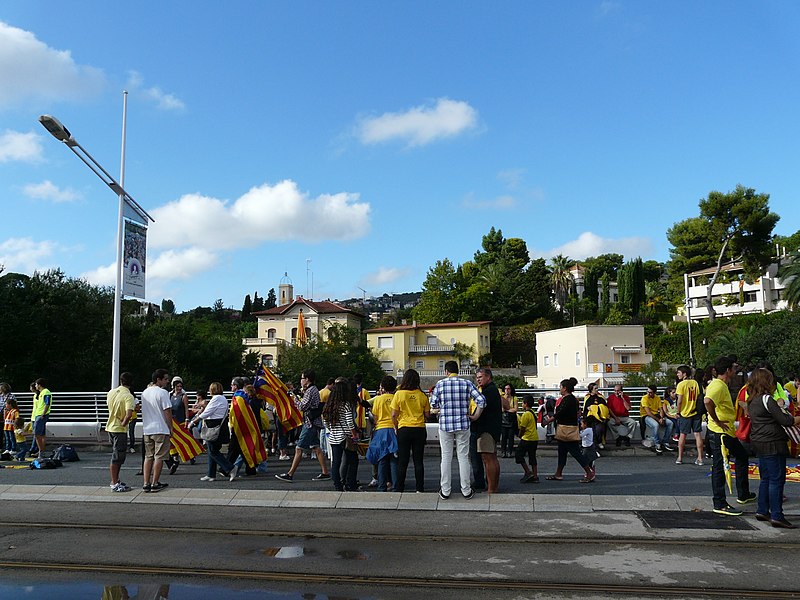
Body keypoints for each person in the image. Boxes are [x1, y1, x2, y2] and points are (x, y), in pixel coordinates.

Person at [747, 368, 800, 528]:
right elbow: (785, 420)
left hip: (759, 442)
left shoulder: (752, 400)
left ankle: (762, 509)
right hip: (773, 443)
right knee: (776, 480)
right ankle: (777, 514)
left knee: (766, 478)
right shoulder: (767, 399)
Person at [705, 356, 755, 516]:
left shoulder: (722, 385)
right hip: (720, 433)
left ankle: (743, 493)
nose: (736, 370)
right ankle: (719, 503)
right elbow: (707, 401)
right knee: (719, 467)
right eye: (734, 367)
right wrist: (717, 420)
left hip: (727, 432)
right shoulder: (718, 386)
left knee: (742, 456)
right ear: (728, 370)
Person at [429, 360, 485, 500]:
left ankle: (445, 490)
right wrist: (475, 416)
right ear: (457, 371)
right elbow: (481, 400)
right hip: (463, 424)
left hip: (445, 425)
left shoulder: (440, 384)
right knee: (463, 457)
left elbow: (433, 404)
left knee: (446, 458)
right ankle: (466, 490)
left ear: (446, 372)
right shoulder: (466, 383)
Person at [276, 370, 331, 482]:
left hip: (309, 424)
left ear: (307, 379)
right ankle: (325, 472)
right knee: (316, 448)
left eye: (302, 378)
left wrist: (294, 397)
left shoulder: (311, 390)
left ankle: (290, 474)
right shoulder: (312, 389)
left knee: (299, 448)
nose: (301, 381)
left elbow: (302, 406)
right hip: (312, 422)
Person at [546, 378, 596, 483]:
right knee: (562, 451)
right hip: (568, 429)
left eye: (560, 387)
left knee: (576, 452)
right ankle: (558, 473)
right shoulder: (572, 399)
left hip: (567, 430)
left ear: (565, 388)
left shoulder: (567, 399)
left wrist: (549, 420)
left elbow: (560, 412)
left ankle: (589, 472)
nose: (560, 389)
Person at [391, 369, 430, 493]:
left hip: (404, 428)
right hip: (419, 428)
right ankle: (420, 488)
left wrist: (396, 427)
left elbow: (393, 415)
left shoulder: (399, 394)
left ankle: (400, 488)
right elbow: (427, 414)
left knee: (403, 461)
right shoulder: (422, 395)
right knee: (418, 461)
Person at [189, 382, 235, 482]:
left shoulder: (216, 398)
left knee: (213, 451)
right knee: (212, 450)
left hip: (213, 427)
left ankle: (230, 468)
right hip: (219, 426)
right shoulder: (222, 398)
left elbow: (207, 413)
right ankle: (211, 474)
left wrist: (193, 422)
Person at [323, 378, 359, 492]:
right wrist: (354, 435)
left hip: (334, 437)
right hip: (345, 437)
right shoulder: (346, 405)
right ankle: (351, 484)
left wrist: (332, 430)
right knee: (352, 460)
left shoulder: (329, 406)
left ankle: (337, 485)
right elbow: (349, 421)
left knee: (336, 462)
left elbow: (325, 422)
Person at [139, 369, 173, 493]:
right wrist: (171, 427)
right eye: (165, 379)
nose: (167, 381)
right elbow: (167, 410)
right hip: (161, 428)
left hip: (147, 429)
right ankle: (155, 483)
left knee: (148, 456)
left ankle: (146, 482)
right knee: (159, 457)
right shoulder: (163, 393)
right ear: (158, 379)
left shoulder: (145, 392)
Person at [472, 367, 505, 494]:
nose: (478, 380)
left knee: (488, 459)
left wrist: (473, 416)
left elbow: (480, 407)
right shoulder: (493, 390)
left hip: (486, 430)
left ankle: (491, 488)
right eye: (477, 377)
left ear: (488, 377)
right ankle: (493, 487)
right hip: (493, 429)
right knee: (492, 458)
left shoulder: (488, 392)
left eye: (480, 377)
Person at [227, 379, 267, 477]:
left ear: (236, 386)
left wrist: (232, 425)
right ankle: (250, 469)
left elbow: (236, 414)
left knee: (236, 449)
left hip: (239, 428)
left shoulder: (238, 398)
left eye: (232, 385)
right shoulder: (242, 396)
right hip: (243, 427)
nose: (231, 386)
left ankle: (226, 468)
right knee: (241, 449)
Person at [366, 375, 399, 492]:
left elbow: (374, 418)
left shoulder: (378, 399)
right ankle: (396, 486)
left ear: (383, 387)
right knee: (394, 460)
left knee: (382, 459)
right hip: (394, 429)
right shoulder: (396, 397)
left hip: (381, 430)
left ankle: (382, 486)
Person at [106, 372, 135, 492]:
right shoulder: (128, 396)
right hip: (119, 429)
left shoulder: (111, 392)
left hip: (110, 426)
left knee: (116, 454)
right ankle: (114, 482)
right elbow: (128, 414)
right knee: (117, 457)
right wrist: (124, 423)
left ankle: (116, 480)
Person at [675, 365, 705, 465]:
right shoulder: (695, 382)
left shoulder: (681, 385)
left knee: (683, 435)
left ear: (684, 374)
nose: (677, 374)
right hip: (695, 411)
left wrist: (678, 412)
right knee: (697, 434)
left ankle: (679, 457)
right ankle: (700, 458)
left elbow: (679, 401)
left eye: (679, 372)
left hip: (685, 413)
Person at [640, 384, 674, 454]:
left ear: (654, 393)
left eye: (650, 392)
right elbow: (648, 412)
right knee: (655, 425)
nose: (648, 394)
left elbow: (661, 409)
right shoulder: (644, 398)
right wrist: (658, 420)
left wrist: (661, 418)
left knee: (670, 423)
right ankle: (657, 443)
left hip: (656, 415)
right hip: (646, 416)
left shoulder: (657, 398)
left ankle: (665, 441)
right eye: (647, 392)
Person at [515, 396, 539, 483]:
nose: (522, 404)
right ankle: (535, 475)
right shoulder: (533, 413)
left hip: (527, 438)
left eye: (523, 403)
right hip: (534, 438)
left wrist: (519, 435)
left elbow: (523, 428)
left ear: (525, 404)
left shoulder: (526, 414)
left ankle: (528, 472)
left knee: (519, 454)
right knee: (532, 456)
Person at [582, 382, 609, 451]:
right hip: (590, 418)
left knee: (599, 428)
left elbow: (605, 408)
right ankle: (595, 445)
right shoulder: (588, 398)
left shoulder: (601, 398)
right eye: (595, 388)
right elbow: (586, 409)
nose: (597, 390)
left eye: (597, 388)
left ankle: (598, 443)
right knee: (593, 429)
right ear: (591, 389)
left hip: (600, 418)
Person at [31, 378, 52, 457]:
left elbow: (47, 404)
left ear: (39, 385)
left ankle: (41, 452)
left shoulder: (46, 392)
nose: (35, 386)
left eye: (36, 384)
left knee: (37, 434)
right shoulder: (41, 392)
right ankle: (41, 451)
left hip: (41, 415)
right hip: (38, 414)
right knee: (41, 434)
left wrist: (43, 414)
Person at [500, 383, 518, 458]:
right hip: (503, 420)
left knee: (511, 437)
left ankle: (509, 451)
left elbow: (515, 409)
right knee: (504, 436)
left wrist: (507, 410)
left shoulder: (514, 398)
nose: (507, 390)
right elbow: (500, 409)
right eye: (506, 389)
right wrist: (509, 409)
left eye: (509, 389)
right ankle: (503, 451)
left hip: (511, 420)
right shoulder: (502, 398)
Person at [0, 382, 13, 454]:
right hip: (1, 416)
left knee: (9, 433)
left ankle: (11, 448)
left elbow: (14, 406)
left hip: (8, 417)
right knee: (1, 432)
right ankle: (2, 447)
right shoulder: (1, 396)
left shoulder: (11, 396)